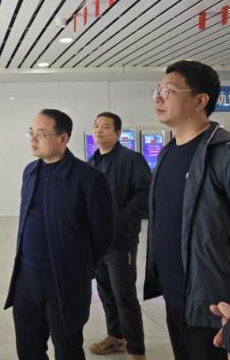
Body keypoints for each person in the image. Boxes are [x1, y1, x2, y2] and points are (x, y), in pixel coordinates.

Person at [143, 60, 230, 360]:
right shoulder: (166, 153)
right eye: (157, 90)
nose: (158, 97)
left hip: (219, 309)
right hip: (177, 301)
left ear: (200, 100)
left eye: (168, 91)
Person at [4, 109, 114, 360]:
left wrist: (81, 270)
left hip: (64, 281)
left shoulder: (89, 179)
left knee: (67, 349)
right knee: (28, 349)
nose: (33, 139)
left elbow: (103, 235)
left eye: (41, 134)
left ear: (63, 138)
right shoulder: (30, 172)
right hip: (26, 278)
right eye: (31, 133)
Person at [87, 112, 150, 360]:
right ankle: (116, 336)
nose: (99, 130)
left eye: (105, 127)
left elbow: (145, 194)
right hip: (98, 242)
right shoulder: (92, 162)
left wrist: (120, 221)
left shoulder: (131, 160)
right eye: (96, 126)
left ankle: (136, 349)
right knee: (105, 292)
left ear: (117, 133)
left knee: (124, 294)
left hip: (121, 241)